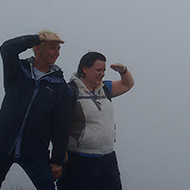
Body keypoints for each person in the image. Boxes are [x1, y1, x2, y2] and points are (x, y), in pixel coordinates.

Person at [0, 30, 71, 190]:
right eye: (53, 48)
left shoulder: (59, 85)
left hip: (35, 151)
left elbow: (61, 125)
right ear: (38, 48)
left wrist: (57, 160)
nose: (57, 53)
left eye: (58, 49)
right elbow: (7, 48)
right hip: (3, 144)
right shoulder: (18, 71)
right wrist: (36, 38)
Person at [56, 51, 134, 190]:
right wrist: (60, 153)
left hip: (107, 159)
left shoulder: (104, 89)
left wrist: (123, 70)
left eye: (104, 70)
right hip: (79, 160)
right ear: (85, 69)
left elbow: (127, 84)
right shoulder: (70, 92)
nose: (102, 74)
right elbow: (57, 124)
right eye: (98, 70)